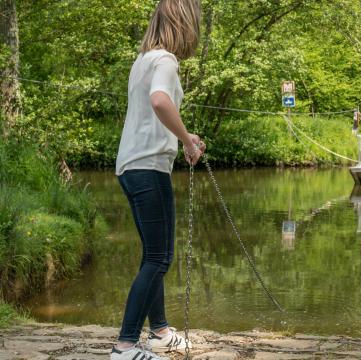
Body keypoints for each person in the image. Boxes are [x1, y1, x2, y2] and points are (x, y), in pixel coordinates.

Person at [111, 1, 204, 359]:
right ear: (184, 24)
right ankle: (124, 346)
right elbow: (161, 102)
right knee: (159, 258)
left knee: (153, 255)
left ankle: (161, 332)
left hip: (132, 167)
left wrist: (185, 136)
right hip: (148, 169)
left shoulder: (143, 61)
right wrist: (184, 140)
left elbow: (154, 116)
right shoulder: (166, 60)